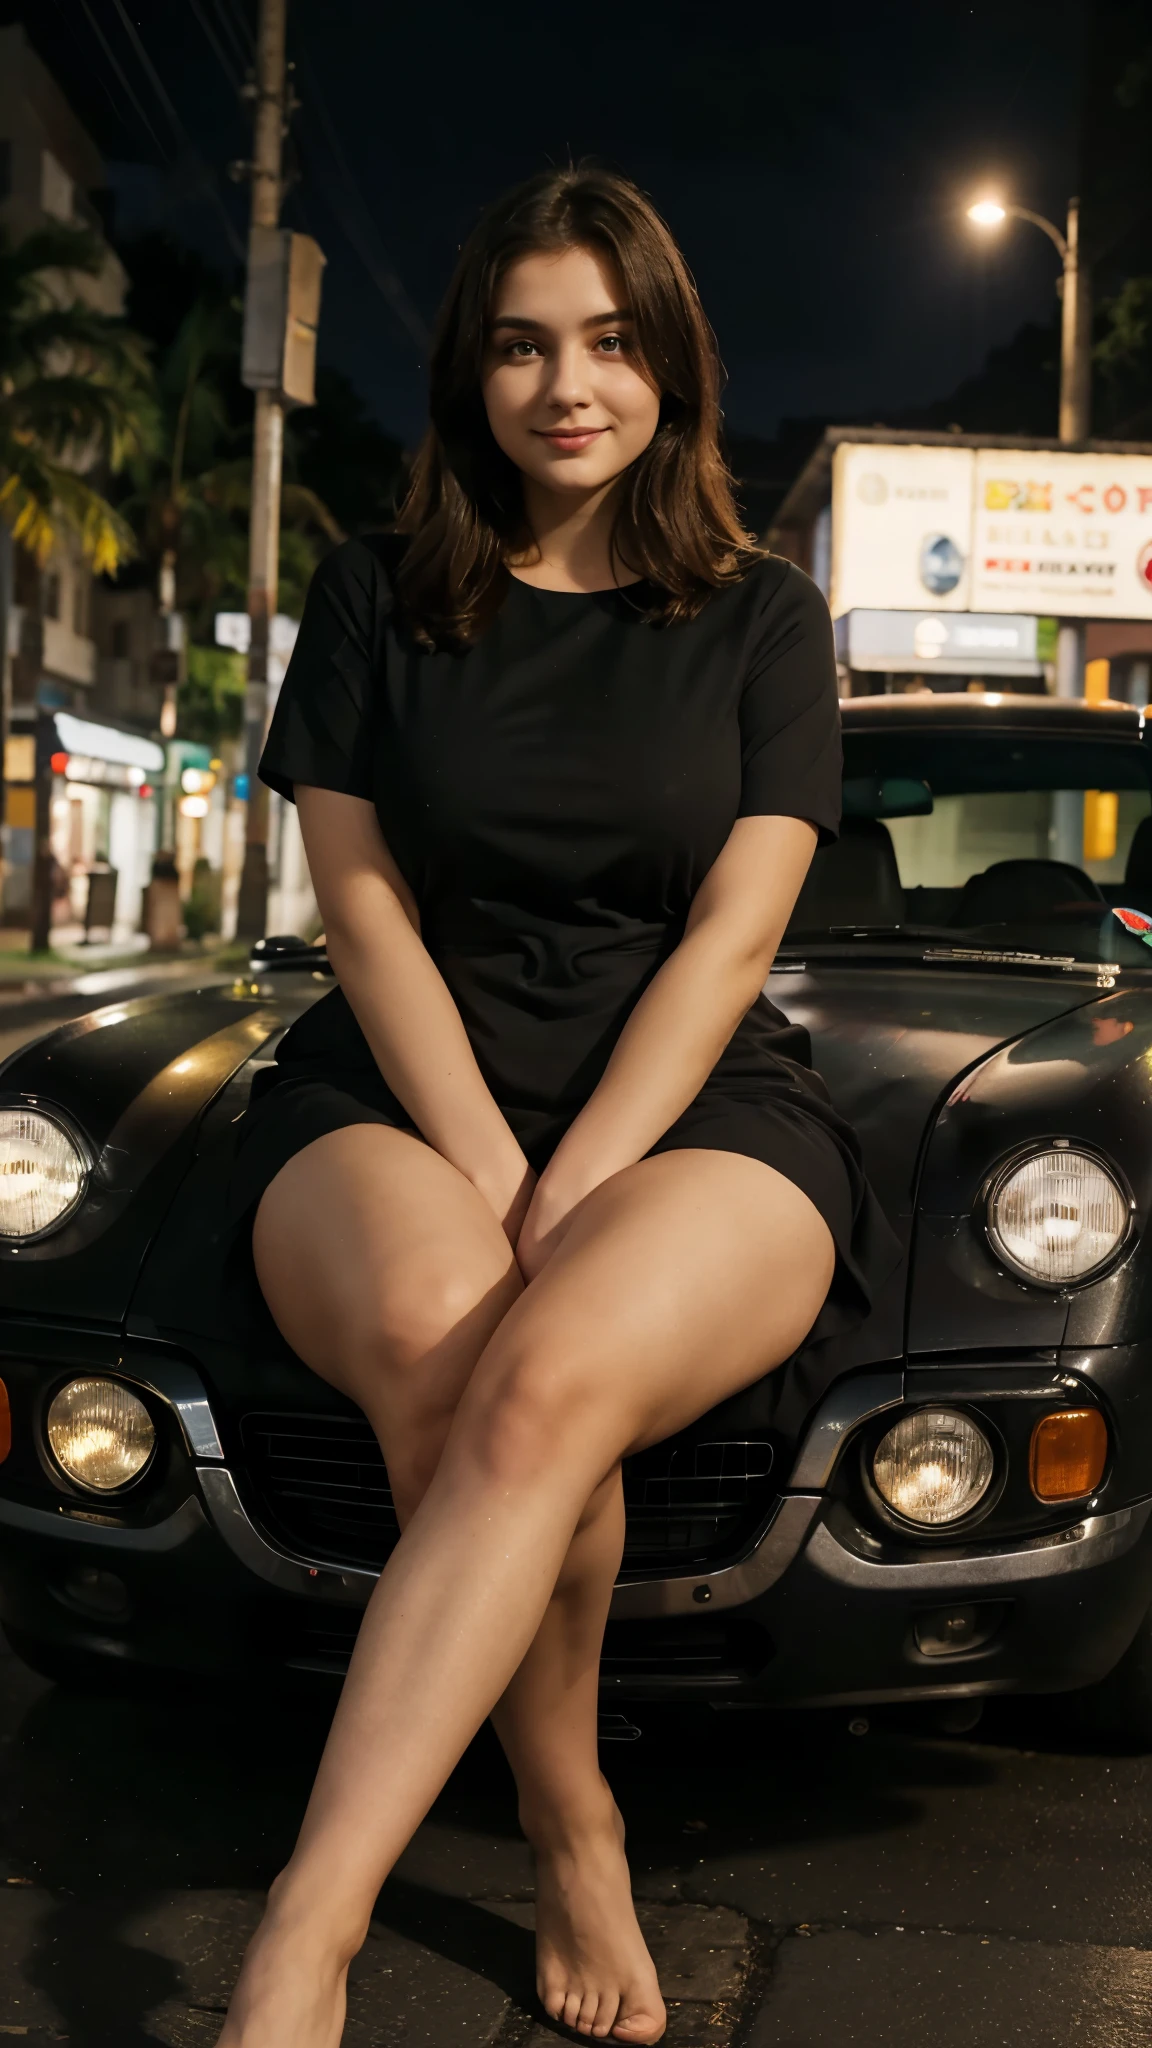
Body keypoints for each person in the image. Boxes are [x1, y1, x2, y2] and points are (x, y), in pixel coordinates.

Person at [218, 165, 899, 2048]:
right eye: (523, 344)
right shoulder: (376, 592)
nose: (566, 384)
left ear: (671, 362)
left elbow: (731, 935)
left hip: (692, 1110)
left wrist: (580, 1178)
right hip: (399, 1088)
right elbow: (359, 907)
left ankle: (402, 1877)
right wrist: (495, 1166)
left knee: (543, 1377)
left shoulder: (766, 619)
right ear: (475, 372)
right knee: (453, 1349)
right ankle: (449, 1862)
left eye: (608, 339)